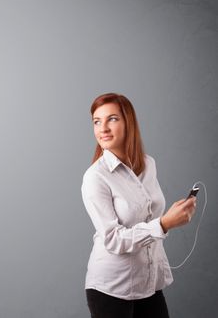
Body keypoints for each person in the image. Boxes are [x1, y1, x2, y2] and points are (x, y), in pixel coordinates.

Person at [81, 93, 197, 318]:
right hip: (111, 287)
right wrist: (164, 224)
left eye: (112, 119)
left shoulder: (148, 164)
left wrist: (173, 215)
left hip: (149, 283)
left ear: (128, 122)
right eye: (97, 121)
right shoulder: (95, 177)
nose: (103, 128)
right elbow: (113, 239)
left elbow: (148, 214)